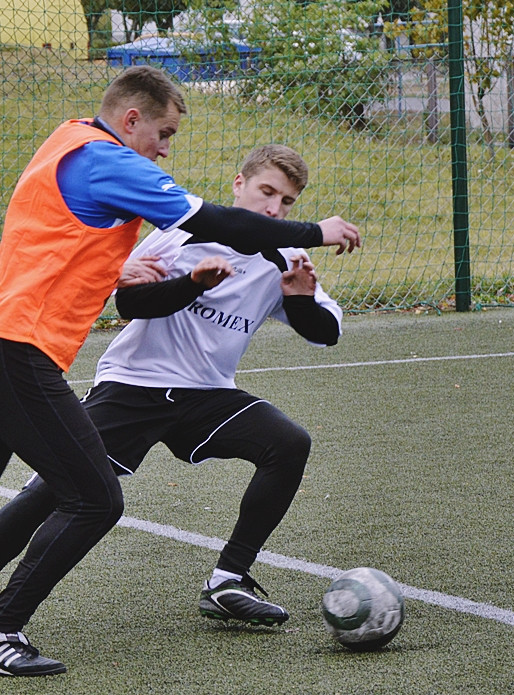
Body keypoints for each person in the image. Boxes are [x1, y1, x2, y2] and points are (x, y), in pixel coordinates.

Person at [0, 66, 360, 677]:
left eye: (288, 203)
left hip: (184, 391)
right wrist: (312, 232)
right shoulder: (115, 166)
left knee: (286, 443)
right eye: (163, 133)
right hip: (70, 367)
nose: (165, 149)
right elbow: (204, 232)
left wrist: (298, 291)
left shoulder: (69, 140)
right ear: (133, 119)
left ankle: (229, 577)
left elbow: (323, 330)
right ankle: (6, 624)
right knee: (86, 497)